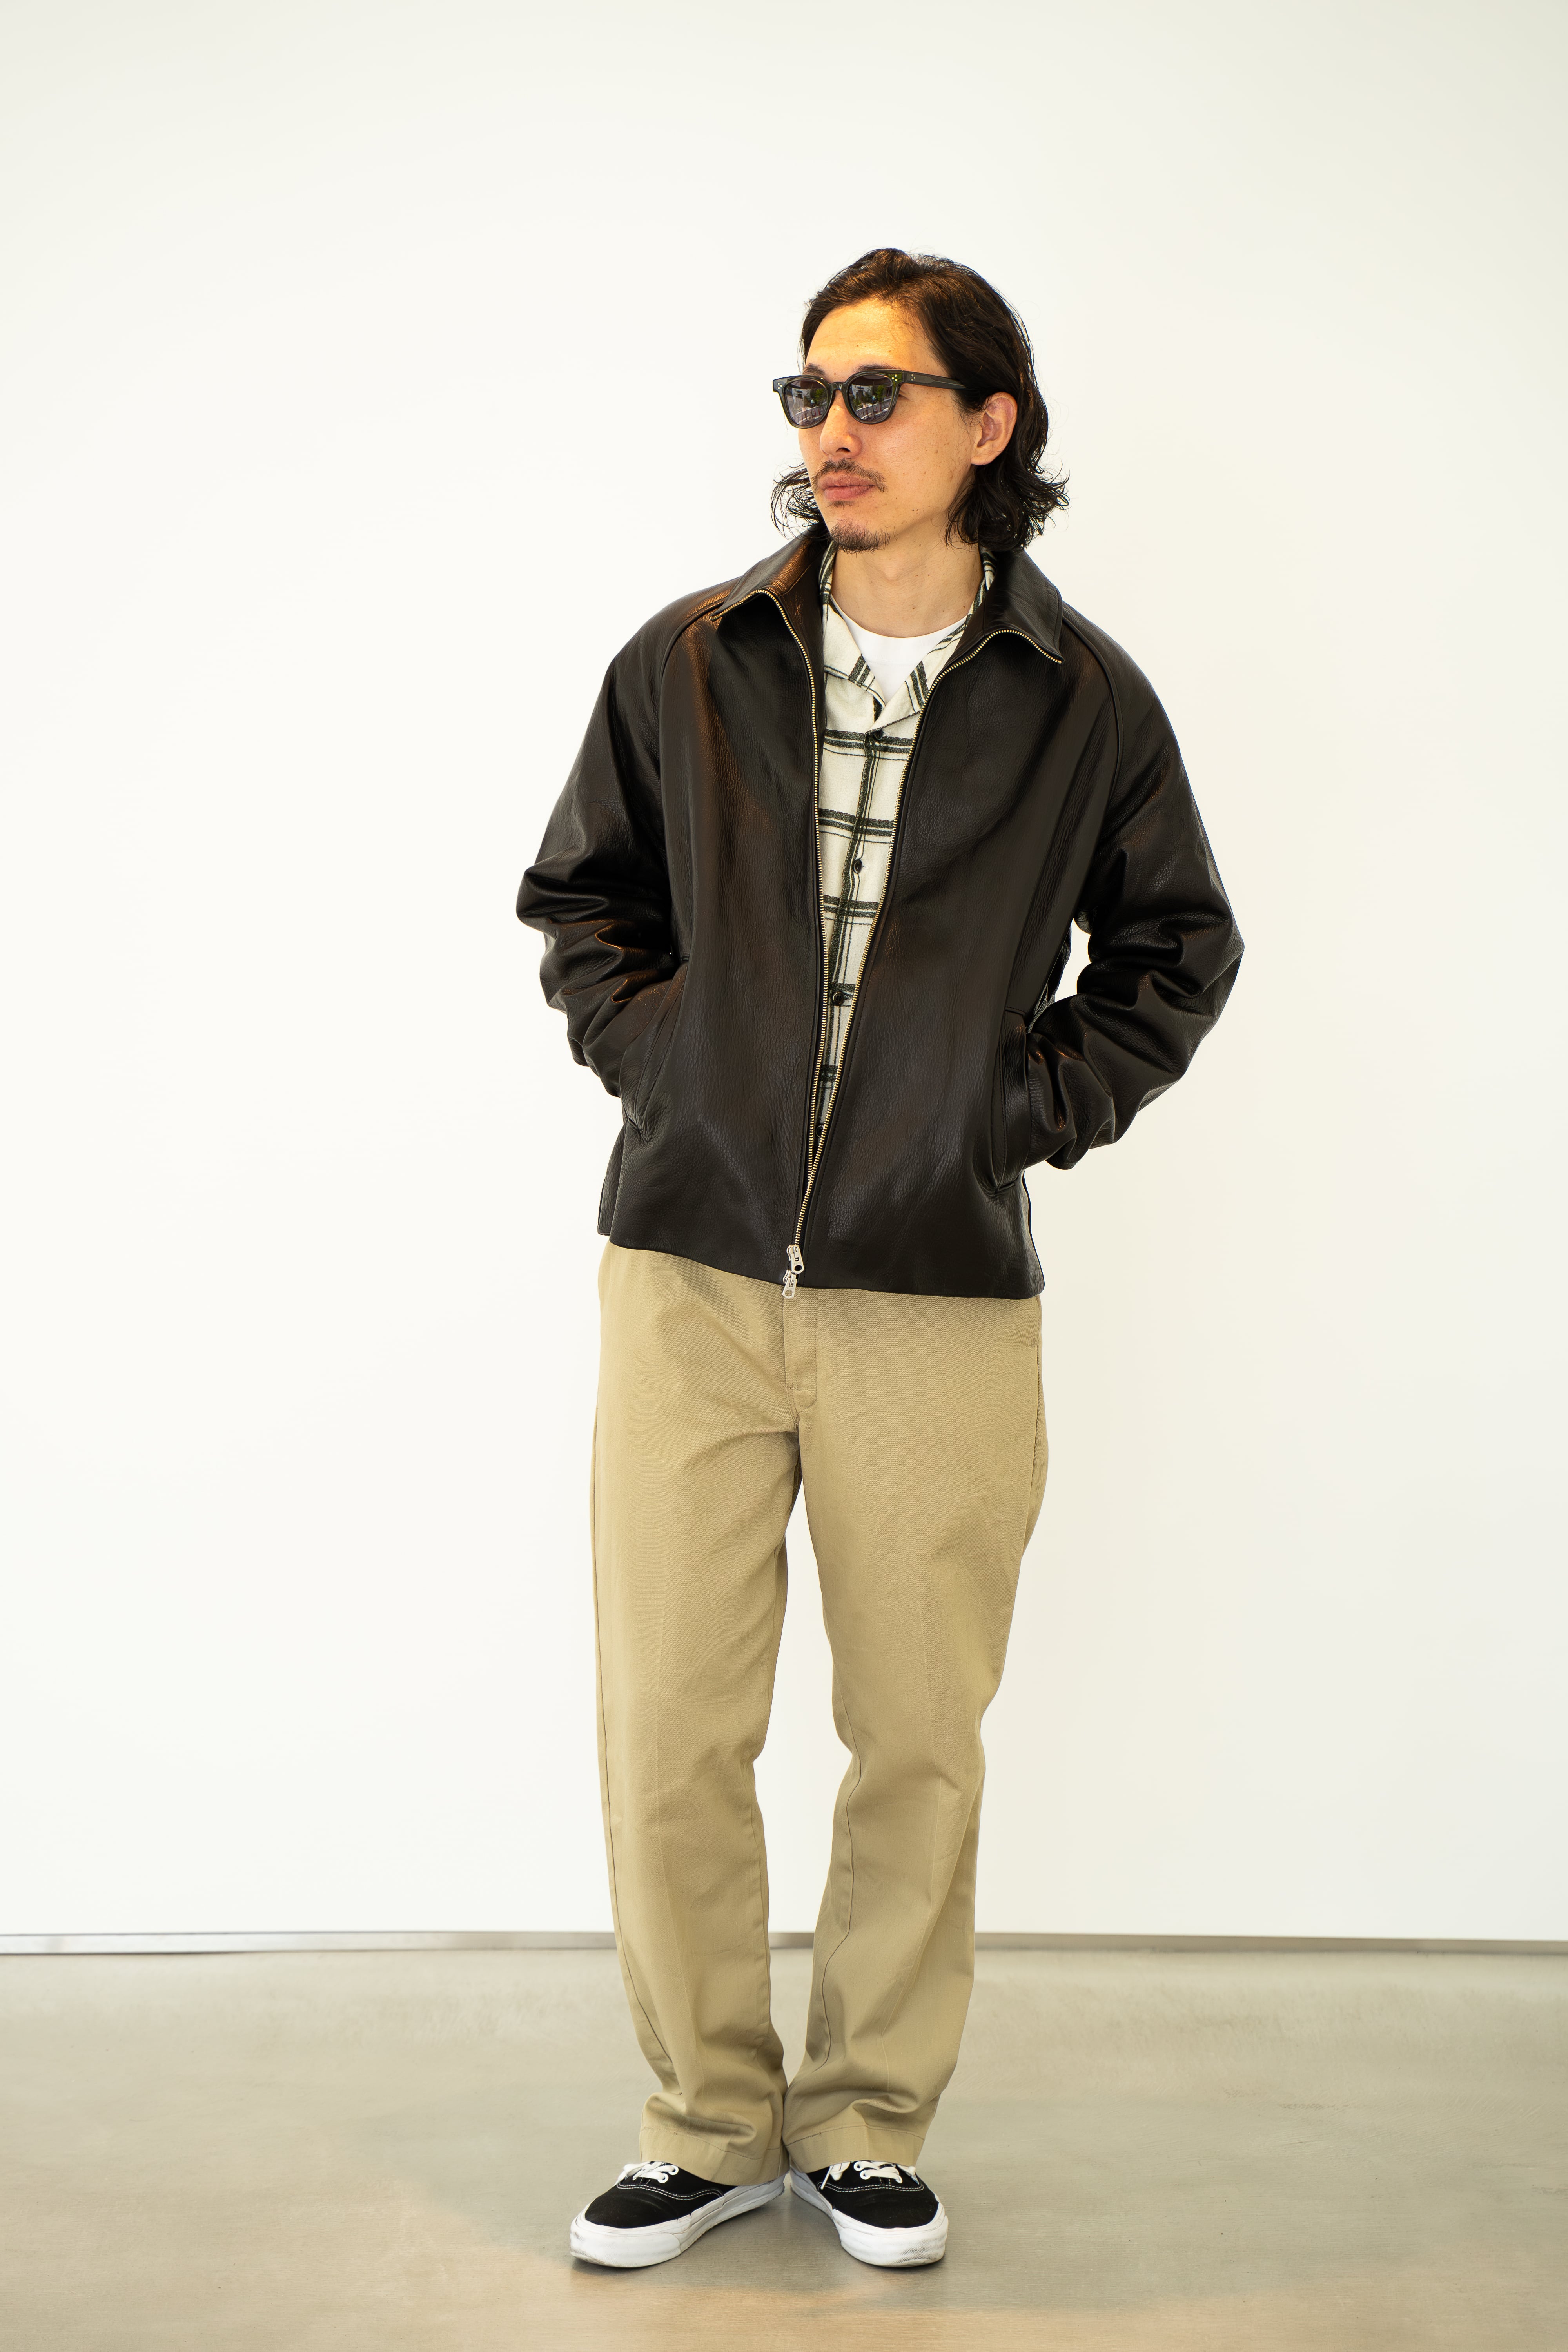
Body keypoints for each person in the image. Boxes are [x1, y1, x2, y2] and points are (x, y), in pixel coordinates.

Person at [517, 246, 1243, 2273]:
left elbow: (1177, 952)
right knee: (670, 1721)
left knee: (915, 1733)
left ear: (988, 426)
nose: (831, 433)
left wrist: (1005, 1112)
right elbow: (581, 900)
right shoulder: (690, 662)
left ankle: (863, 2122)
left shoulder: (1082, 702)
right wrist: (674, 1070)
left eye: (878, 395)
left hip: (936, 1285)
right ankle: (705, 2121)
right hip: (690, 1271)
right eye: (810, 396)